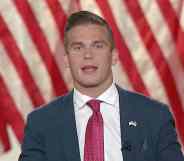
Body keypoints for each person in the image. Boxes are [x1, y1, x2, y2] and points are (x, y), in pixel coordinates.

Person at [19, 10, 184, 161]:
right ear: (66, 60)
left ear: (114, 57)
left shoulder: (154, 116)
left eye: (98, 46)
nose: (88, 55)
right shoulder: (40, 123)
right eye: (78, 47)